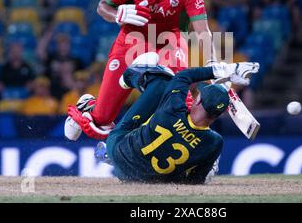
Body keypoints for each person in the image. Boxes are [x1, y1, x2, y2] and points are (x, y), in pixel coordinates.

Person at [66, 0, 219, 141]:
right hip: (131, 40)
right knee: (102, 119)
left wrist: (213, 62)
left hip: (169, 41)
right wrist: (117, 14)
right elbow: (102, 7)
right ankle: (88, 106)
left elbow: (203, 31)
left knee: (179, 102)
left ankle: (197, 152)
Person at [74, 53, 259, 184]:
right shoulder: (214, 142)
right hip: (140, 180)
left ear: (199, 99)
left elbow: (184, 76)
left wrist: (227, 69)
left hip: (119, 151)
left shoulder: (173, 106)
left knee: (161, 80)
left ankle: (129, 76)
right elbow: (193, 182)